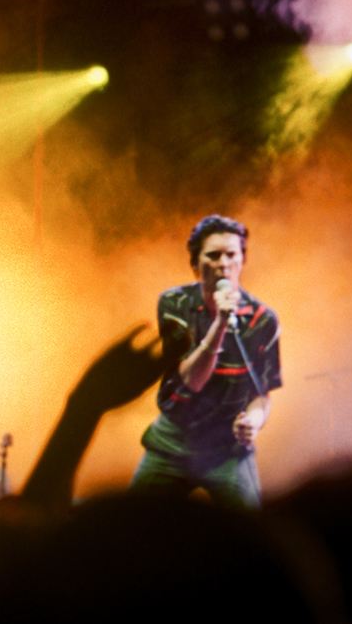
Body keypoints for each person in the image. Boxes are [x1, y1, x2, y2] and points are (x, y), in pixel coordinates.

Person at [129, 214, 281, 508]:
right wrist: (221, 323)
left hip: (227, 449)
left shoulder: (263, 319)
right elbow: (192, 380)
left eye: (231, 255)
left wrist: (254, 421)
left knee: (251, 530)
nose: (223, 263)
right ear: (195, 265)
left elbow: (262, 395)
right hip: (172, 441)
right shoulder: (175, 303)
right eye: (213, 255)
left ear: (242, 260)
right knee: (131, 523)